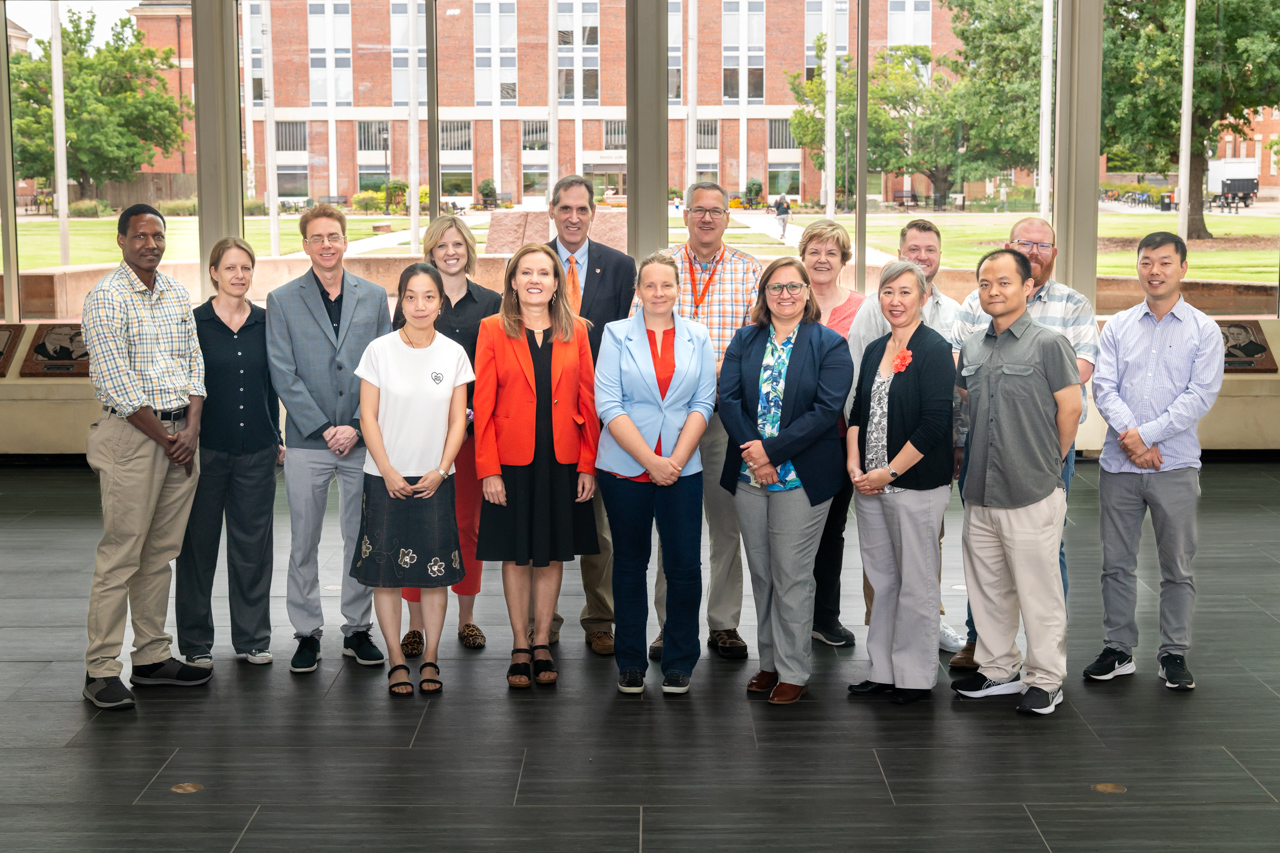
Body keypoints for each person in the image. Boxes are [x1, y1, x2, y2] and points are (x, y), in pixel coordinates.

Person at [948, 217, 1098, 670]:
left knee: (1039, 589)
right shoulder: (973, 347)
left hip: (1033, 485)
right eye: (985, 283)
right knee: (989, 588)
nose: (993, 290)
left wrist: (1049, 464)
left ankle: (1044, 678)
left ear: (1027, 287)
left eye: (1004, 282)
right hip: (980, 488)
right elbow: (964, 408)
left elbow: (1069, 410)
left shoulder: (1050, 343)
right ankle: (998, 669)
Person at [80, 204, 211, 709]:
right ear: (121, 240)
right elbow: (116, 381)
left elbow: (194, 362)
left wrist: (192, 427)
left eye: (157, 235)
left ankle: (152, 657)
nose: (150, 244)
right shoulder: (106, 298)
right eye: (140, 236)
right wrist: (167, 437)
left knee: (160, 554)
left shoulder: (176, 292)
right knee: (122, 553)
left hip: (181, 435)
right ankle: (100, 668)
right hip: (135, 440)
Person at [1087, 232, 1224, 691]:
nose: (1155, 271)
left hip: (1176, 465)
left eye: (1165, 262)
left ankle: (1173, 653)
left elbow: (1199, 396)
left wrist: (1144, 435)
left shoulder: (1204, 330)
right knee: (1116, 564)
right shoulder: (1120, 325)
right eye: (1147, 262)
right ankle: (1118, 649)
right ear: (1139, 267)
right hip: (1119, 467)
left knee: (1177, 567)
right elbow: (1104, 387)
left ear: (1183, 267)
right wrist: (1132, 442)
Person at [720, 257, 854, 705]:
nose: (785, 295)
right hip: (748, 476)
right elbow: (728, 398)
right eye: (775, 288)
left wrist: (771, 453)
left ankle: (795, 670)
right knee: (762, 574)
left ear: (807, 292)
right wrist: (754, 454)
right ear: (764, 295)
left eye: (793, 287)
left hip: (802, 478)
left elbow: (825, 410)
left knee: (792, 574)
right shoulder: (745, 338)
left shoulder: (830, 344)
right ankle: (769, 663)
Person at [267, 203, 392, 674]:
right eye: (316, 237)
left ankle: (357, 630)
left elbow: (382, 367)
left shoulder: (374, 296)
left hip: (363, 439)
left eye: (333, 236)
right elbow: (283, 372)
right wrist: (323, 428)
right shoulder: (281, 300)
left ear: (345, 241)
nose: (326, 245)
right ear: (305, 245)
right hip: (306, 441)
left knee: (360, 536)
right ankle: (306, 633)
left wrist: (357, 427)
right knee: (303, 540)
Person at [474, 243, 600, 688]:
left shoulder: (578, 331)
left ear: (556, 282)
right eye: (525, 272)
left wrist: (588, 464)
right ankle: (519, 644)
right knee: (516, 553)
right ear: (512, 281)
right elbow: (482, 405)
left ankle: (543, 640)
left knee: (549, 553)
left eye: (543, 273)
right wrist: (488, 469)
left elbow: (589, 400)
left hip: (562, 459)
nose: (534, 280)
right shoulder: (491, 329)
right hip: (510, 461)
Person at [650, 181, 762, 663]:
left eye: (716, 211)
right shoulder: (661, 269)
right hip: (669, 418)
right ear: (686, 214)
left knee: (725, 525)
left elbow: (757, 341)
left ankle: (724, 624)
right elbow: (640, 335)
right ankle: (669, 625)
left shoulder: (748, 271)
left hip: (723, 417)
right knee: (671, 527)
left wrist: (722, 374)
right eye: (699, 210)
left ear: (727, 218)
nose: (707, 219)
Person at [595, 252, 716, 695]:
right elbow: (608, 405)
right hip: (626, 468)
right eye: (650, 285)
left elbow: (704, 403)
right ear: (638, 291)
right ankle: (630, 662)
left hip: (682, 468)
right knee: (629, 566)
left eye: (667, 285)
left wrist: (676, 462)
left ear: (678, 289)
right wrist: (651, 461)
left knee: (684, 567)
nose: (659, 293)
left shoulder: (698, 336)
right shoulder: (615, 335)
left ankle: (681, 661)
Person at [845, 219, 967, 653]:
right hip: (870, 461)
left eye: (929, 249)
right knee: (881, 566)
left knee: (922, 557)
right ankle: (886, 639)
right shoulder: (871, 318)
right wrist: (856, 456)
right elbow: (856, 386)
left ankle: (924, 631)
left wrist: (955, 446)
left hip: (920, 463)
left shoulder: (952, 317)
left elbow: (952, 399)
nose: (920, 256)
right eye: (912, 248)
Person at [352, 263, 473, 696]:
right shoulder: (379, 351)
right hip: (383, 478)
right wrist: (386, 470)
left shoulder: (454, 353)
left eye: (428, 297)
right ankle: (397, 660)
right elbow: (367, 416)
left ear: (441, 302)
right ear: (399, 301)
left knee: (435, 574)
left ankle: (432, 658)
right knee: (385, 574)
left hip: (436, 479)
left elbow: (459, 419)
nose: (419, 306)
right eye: (410, 296)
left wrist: (441, 470)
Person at [175, 237, 281, 669]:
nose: (239, 275)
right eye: (231, 268)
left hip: (257, 449)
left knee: (253, 549)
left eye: (246, 268)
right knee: (197, 549)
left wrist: (277, 436)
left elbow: (275, 384)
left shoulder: (268, 323)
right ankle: (196, 644)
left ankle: (253, 639)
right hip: (204, 451)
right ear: (214, 273)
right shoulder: (192, 323)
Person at [544, 174, 638, 656]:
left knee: (600, 526)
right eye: (565, 209)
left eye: (582, 209)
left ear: (593, 213)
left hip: (603, 413)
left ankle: (600, 618)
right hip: (545, 416)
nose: (574, 217)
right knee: (548, 521)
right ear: (553, 212)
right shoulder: (533, 265)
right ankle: (546, 618)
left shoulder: (620, 267)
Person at [398, 216, 500, 657]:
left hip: (473, 437)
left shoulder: (493, 303)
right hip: (421, 436)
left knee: (466, 527)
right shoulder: (416, 301)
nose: (450, 252)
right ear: (431, 251)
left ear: (468, 249)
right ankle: (416, 625)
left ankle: (467, 618)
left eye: (457, 244)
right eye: (442, 245)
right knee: (417, 527)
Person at [799, 219, 863, 649]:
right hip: (789, 438)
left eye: (832, 253)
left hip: (841, 438)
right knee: (790, 532)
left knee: (831, 530)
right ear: (802, 256)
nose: (822, 260)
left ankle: (825, 616)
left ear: (844, 260)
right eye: (814, 251)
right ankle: (789, 616)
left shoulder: (863, 308)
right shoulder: (784, 300)